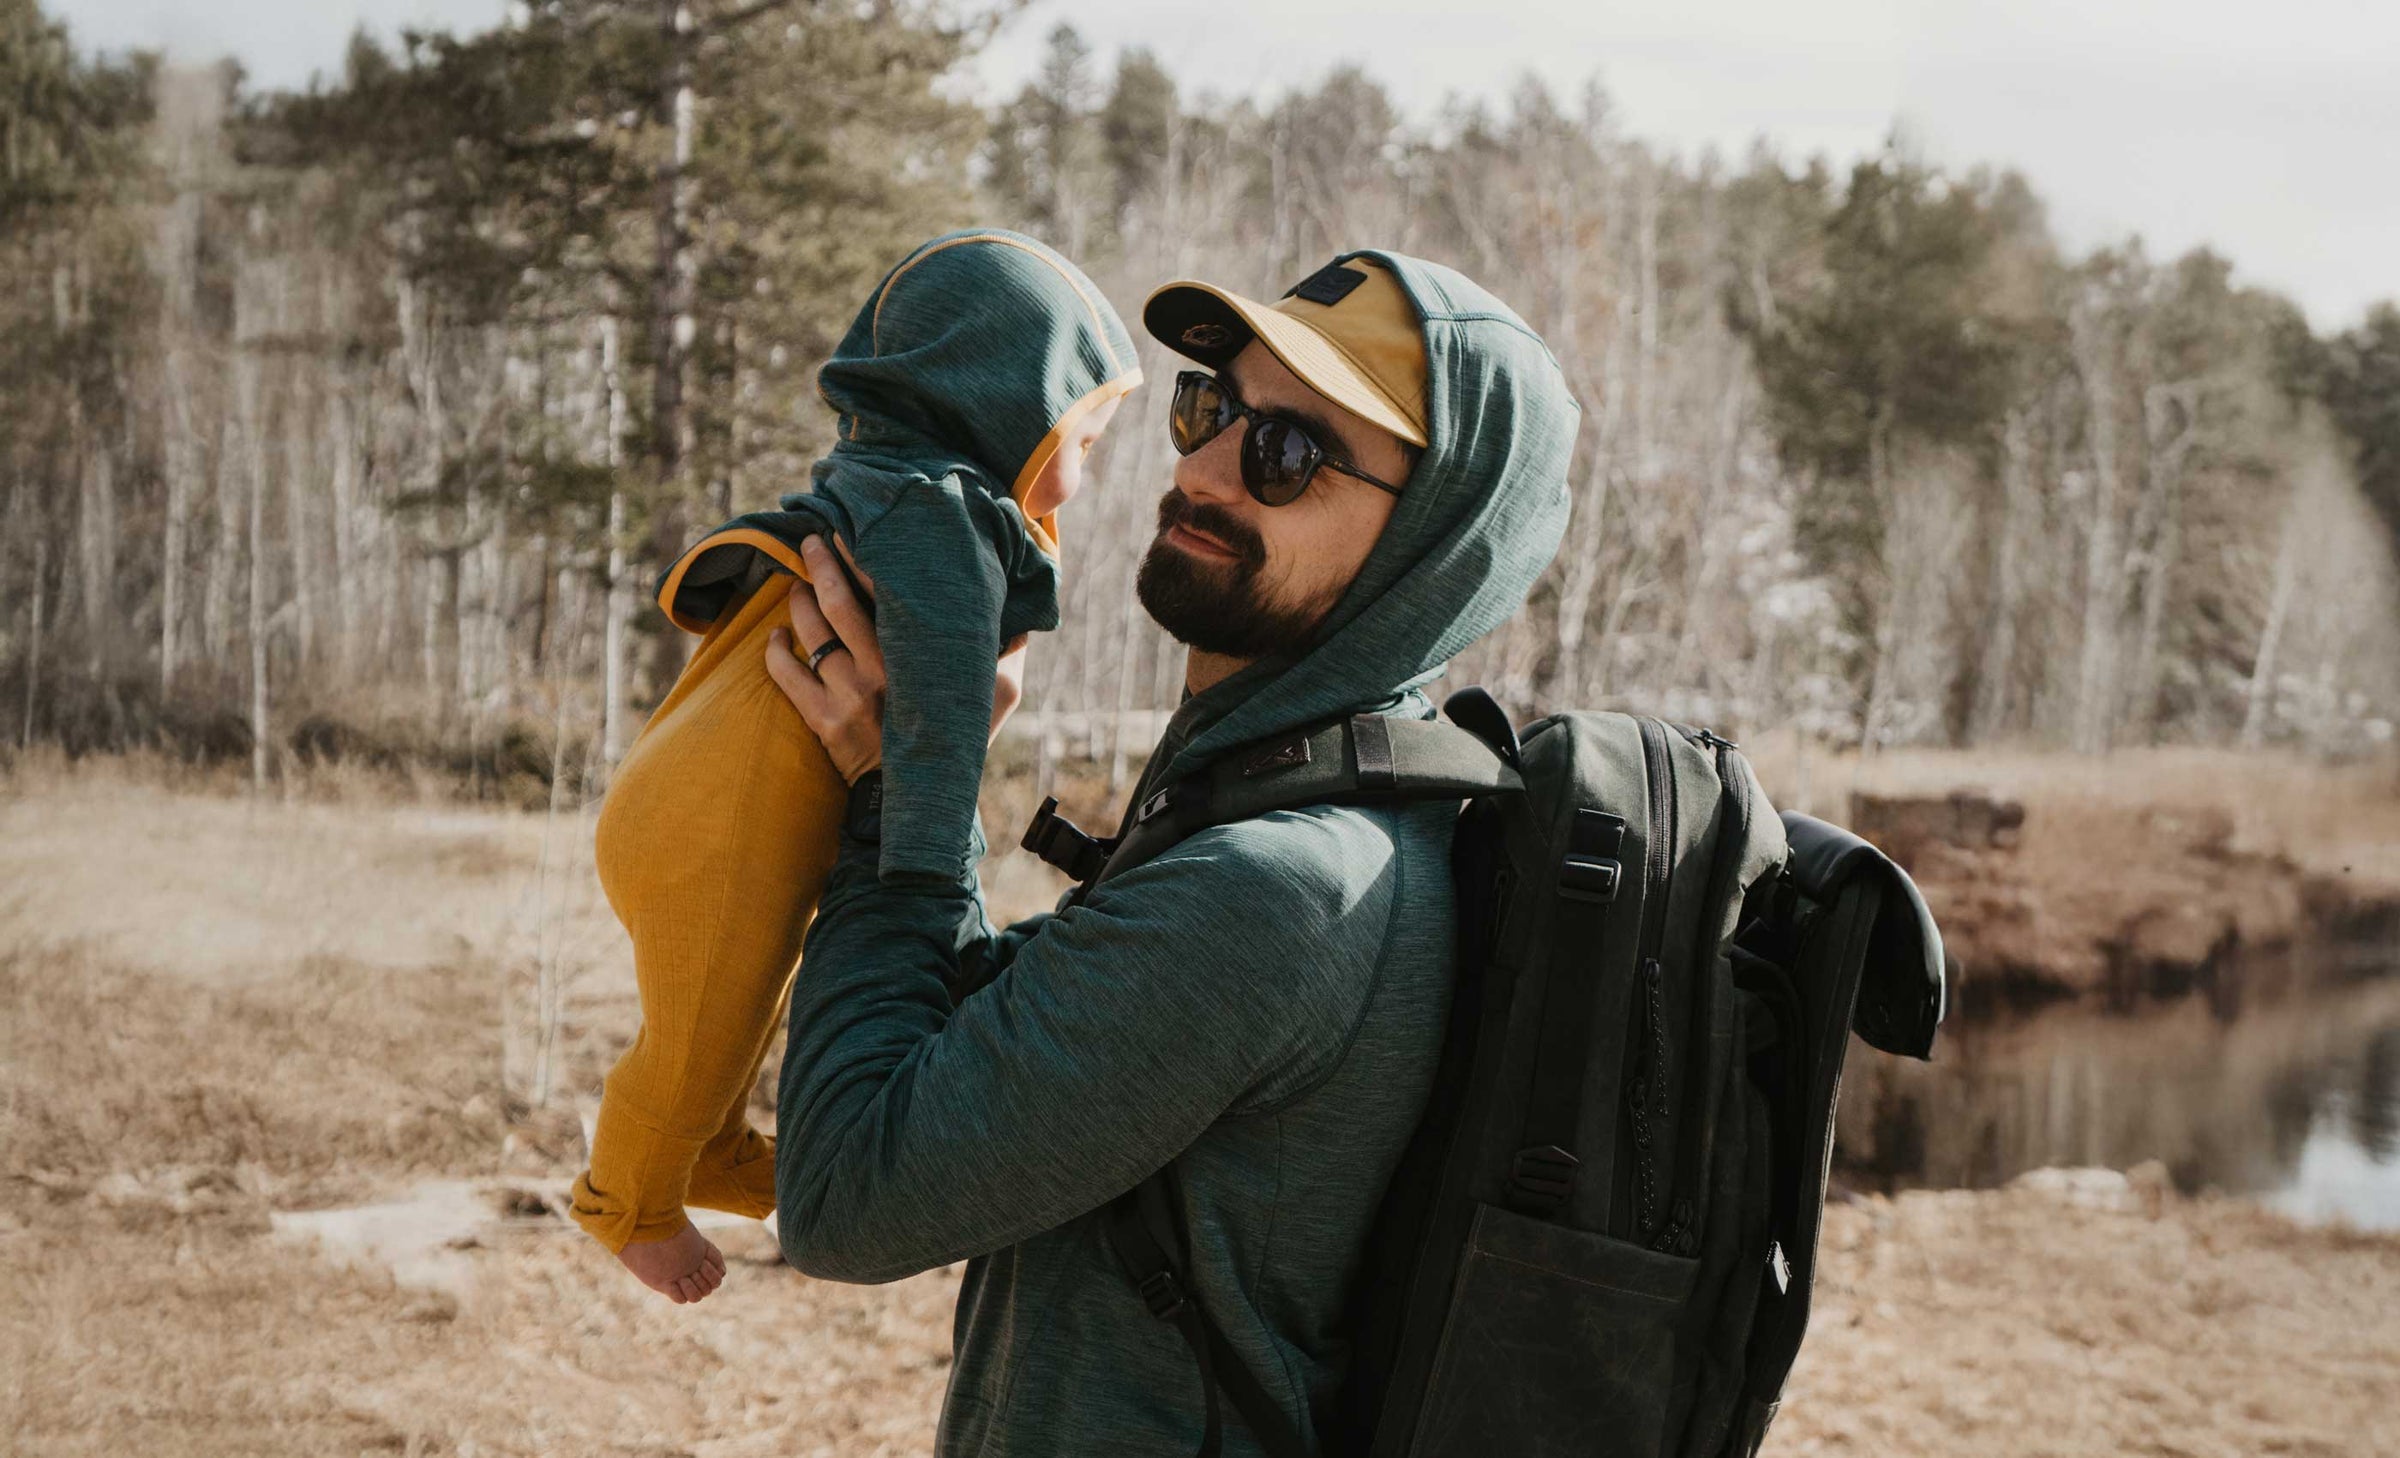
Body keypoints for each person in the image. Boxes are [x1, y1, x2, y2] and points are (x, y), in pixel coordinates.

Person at [765, 250, 1574, 1452]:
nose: (1199, 467)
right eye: (1213, 407)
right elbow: (985, 1050)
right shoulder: (1326, 821)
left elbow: (844, 1197)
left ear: (1433, 547)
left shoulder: (1284, 893)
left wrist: (905, 798)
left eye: (1286, 453)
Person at [566, 230, 1142, 1304]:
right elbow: (938, 698)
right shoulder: (937, 512)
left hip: (705, 795)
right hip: (717, 816)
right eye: (1087, 431)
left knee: (746, 993)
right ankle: (627, 1196)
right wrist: (923, 867)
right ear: (1001, 397)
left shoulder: (897, 482)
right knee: (703, 1016)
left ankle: (708, 1145)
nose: (1090, 465)